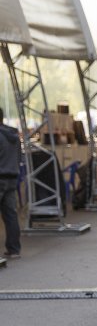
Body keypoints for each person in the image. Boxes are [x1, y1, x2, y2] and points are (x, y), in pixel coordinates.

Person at [0, 107, 22, 261]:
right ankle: (14, 249)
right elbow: (19, 157)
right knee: (11, 215)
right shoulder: (13, 135)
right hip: (12, 177)